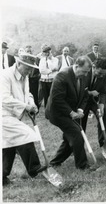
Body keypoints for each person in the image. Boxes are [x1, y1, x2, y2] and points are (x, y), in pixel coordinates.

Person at [2, 52, 47, 185]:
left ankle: (2, 177)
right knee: (26, 134)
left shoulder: (24, 75)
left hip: (14, 116)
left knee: (9, 145)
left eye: (31, 68)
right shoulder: (5, 75)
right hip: (3, 115)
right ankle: (35, 169)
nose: (29, 71)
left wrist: (31, 103)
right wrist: (25, 107)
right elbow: (4, 99)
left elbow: (27, 94)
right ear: (18, 63)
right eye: (27, 68)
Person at [45, 56, 92, 170]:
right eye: (84, 72)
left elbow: (85, 95)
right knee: (76, 134)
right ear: (76, 66)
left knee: (69, 138)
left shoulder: (84, 75)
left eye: (87, 72)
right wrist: (71, 113)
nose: (85, 75)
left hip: (70, 111)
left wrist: (80, 109)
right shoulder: (62, 76)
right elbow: (57, 99)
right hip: (57, 113)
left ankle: (55, 162)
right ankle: (82, 166)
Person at [81, 57, 106, 150]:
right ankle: (77, 146)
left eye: (103, 74)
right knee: (81, 122)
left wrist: (102, 105)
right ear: (93, 67)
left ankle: (104, 142)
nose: (101, 76)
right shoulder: (84, 72)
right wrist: (90, 93)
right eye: (99, 73)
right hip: (82, 101)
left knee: (104, 115)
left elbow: (103, 90)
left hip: (95, 100)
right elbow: (78, 90)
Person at [39, 44, 59, 108]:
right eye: (44, 52)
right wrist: (50, 71)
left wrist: (49, 60)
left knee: (52, 96)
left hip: (52, 80)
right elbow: (41, 71)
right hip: (44, 80)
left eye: (46, 52)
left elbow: (54, 67)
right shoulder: (42, 60)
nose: (44, 54)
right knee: (46, 96)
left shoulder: (55, 60)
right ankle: (47, 111)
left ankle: (52, 110)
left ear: (49, 52)